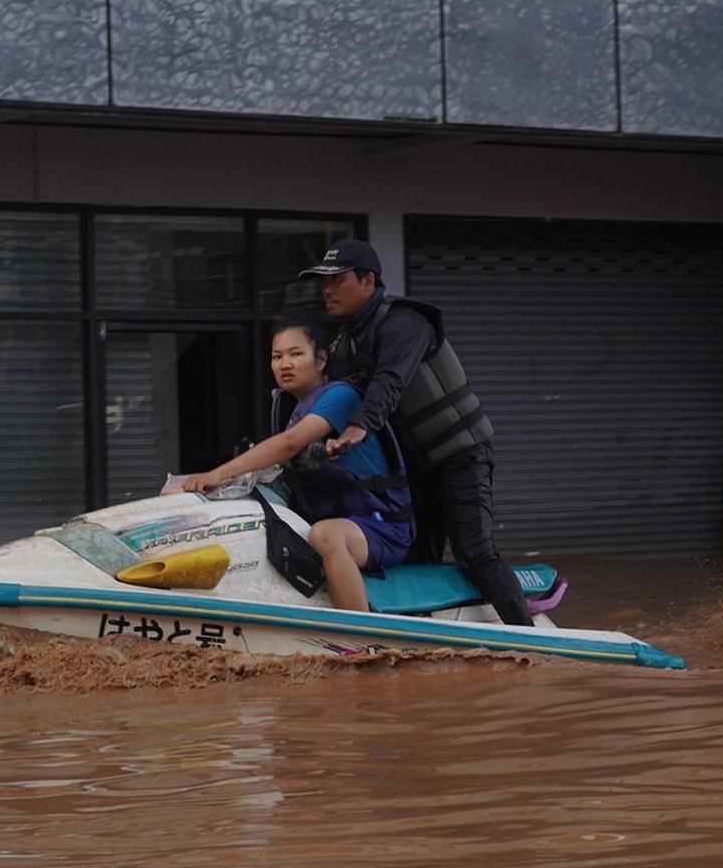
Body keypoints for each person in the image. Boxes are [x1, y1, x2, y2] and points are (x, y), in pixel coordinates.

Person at [298, 239, 535, 626]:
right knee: (413, 557)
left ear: (368, 281)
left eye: (337, 281)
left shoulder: (405, 322)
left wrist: (359, 427)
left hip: (459, 457)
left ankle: (532, 640)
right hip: (414, 471)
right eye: (323, 283)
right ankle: (425, 637)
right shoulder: (344, 342)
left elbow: (389, 381)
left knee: (473, 552)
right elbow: (328, 400)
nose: (326, 290)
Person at [175, 317, 414, 611]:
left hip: (381, 527)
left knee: (325, 535)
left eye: (296, 354)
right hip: (339, 521)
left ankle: (361, 643)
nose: (284, 364)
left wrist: (217, 473)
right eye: (277, 357)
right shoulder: (290, 408)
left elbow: (290, 444)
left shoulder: (340, 396)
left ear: (321, 359)